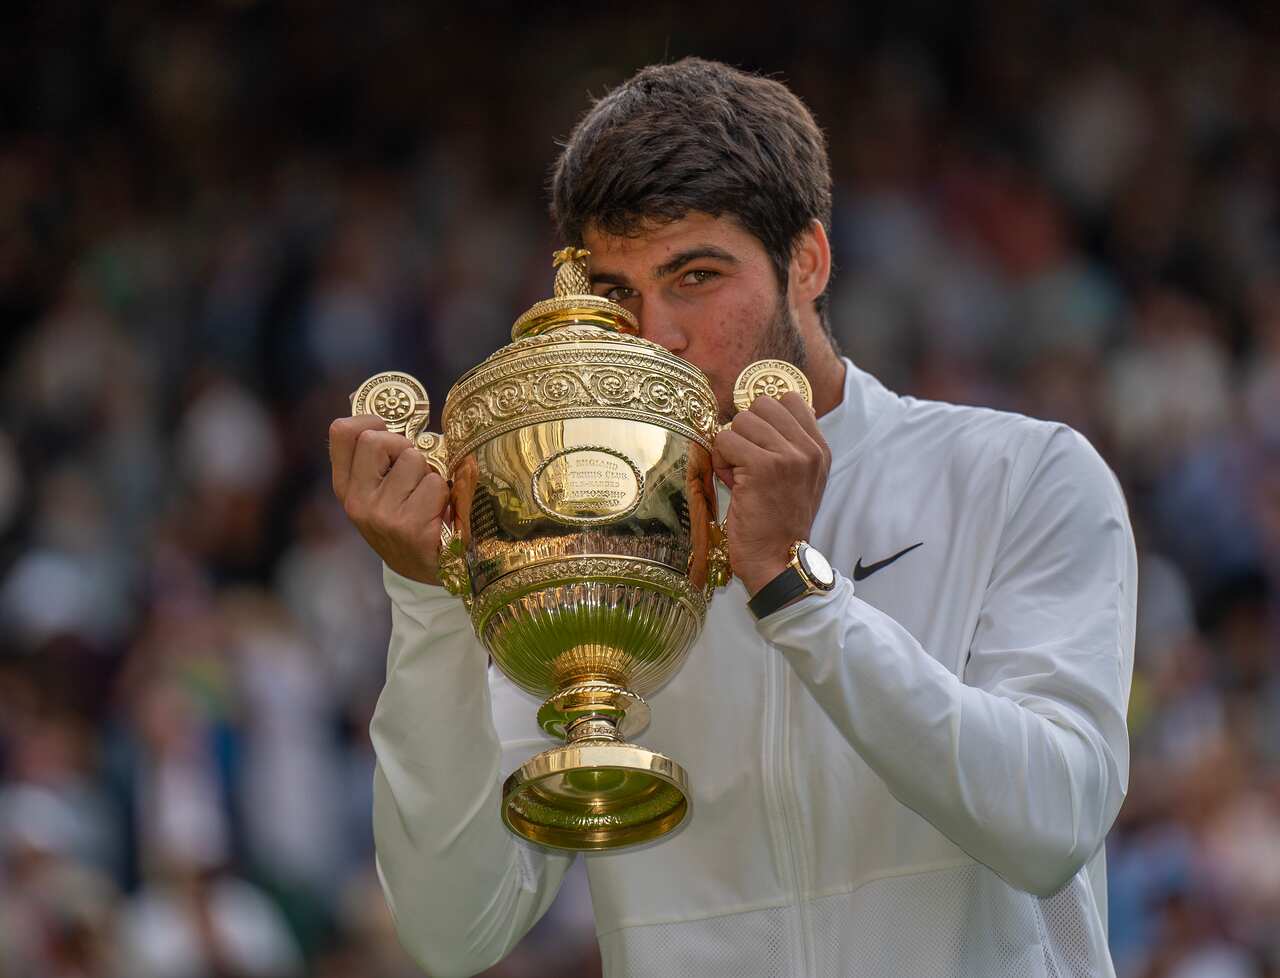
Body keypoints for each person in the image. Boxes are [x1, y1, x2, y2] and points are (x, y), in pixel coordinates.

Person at [328, 58, 1136, 978]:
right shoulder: (578, 538)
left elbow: (1053, 822)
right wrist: (431, 601)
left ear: (809, 262)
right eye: (616, 294)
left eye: (697, 276)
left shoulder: (1020, 473)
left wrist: (795, 590)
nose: (657, 334)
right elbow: (452, 932)